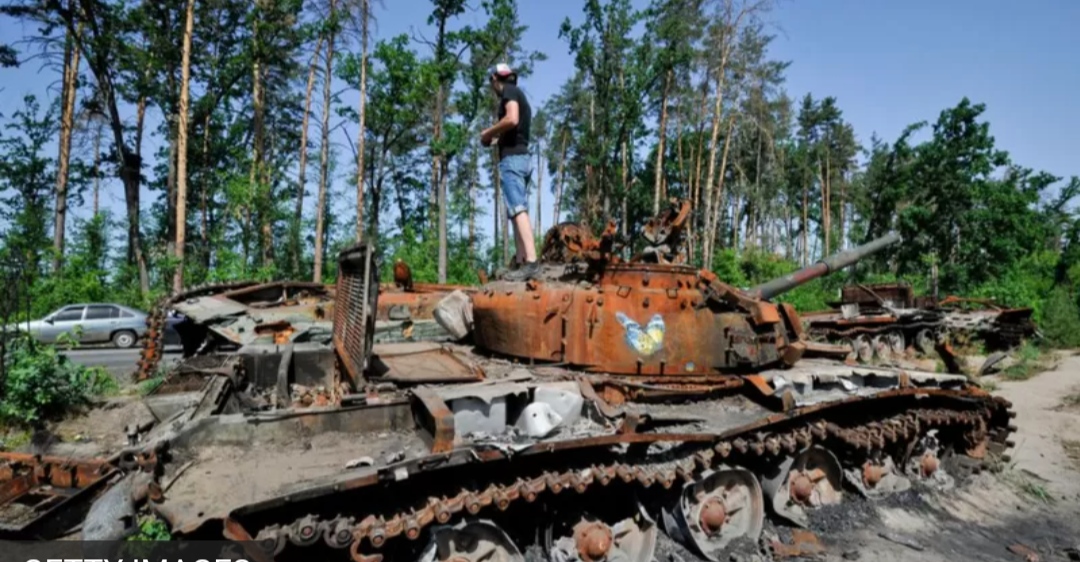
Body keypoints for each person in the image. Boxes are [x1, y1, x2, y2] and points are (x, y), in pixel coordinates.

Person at [480, 63, 538, 282]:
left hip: (513, 160)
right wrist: (492, 139)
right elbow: (512, 128)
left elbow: (511, 119)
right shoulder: (518, 93)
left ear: (495, 78)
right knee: (516, 212)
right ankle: (522, 261)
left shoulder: (509, 91)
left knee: (517, 208)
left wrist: (488, 130)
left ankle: (531, 261)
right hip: (521, 156)